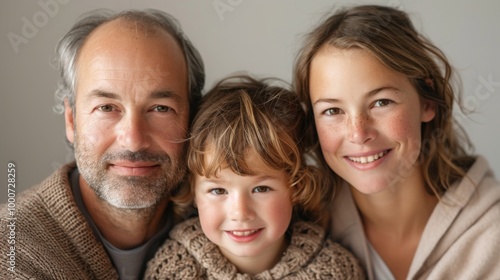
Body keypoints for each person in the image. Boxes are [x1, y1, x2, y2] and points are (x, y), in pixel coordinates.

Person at [293, 4, 500, 280]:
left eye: (381, 102)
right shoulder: (297, 234)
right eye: (332, 111)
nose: (358, 133)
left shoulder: (492, 232)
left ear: (427, 101)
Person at [0, 9, 204, 279]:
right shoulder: (11, 252)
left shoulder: (235, 224)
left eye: (160, 108)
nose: (133, 140)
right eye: (107, 107)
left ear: (193, 117)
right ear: (71, 120)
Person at [144, 75, 364, 279]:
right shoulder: (173, 270)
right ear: (193, 192)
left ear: (296, 187)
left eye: (261, 189)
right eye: (218, 191)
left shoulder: (335, 270)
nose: (241, 212)